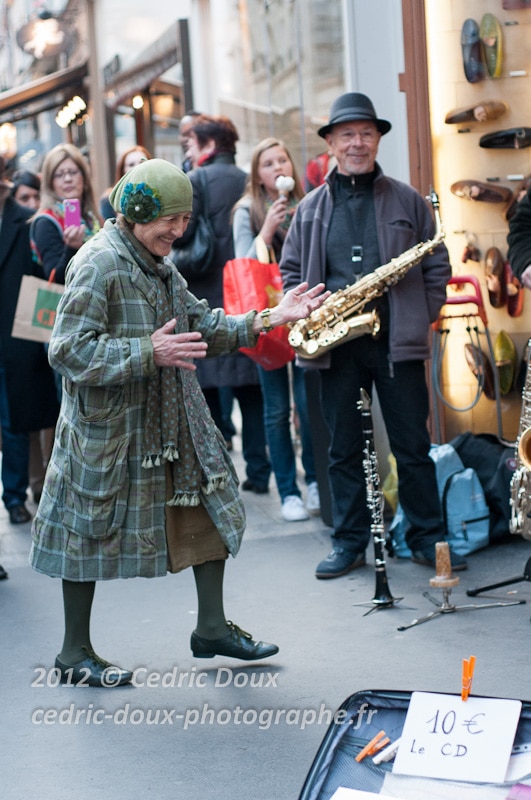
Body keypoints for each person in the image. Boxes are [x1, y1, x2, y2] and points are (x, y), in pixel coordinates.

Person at [29, 158, 328, 686]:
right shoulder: (98, 264)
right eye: (170, 220)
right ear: (137, 213)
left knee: (209, 508)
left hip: (170, 422)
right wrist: (148, 350)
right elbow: (68, 351)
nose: (179, 231)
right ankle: (74, 652)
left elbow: (201, 326)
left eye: (185, 220)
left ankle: (210, 628)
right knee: (86, 531)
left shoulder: (159, 263)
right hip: (111, 431)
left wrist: (269, 316)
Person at [279, 92, 465, 577]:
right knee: (342, 449)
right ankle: (349, 542)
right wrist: (308, 309)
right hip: (335, 344)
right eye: (347, 135)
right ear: (331, 145)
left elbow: (435, 265)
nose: (357, 143)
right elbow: (291, 270)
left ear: (378, 139)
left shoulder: (407, 198)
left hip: (394, 343)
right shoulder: (310, 208)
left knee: (411, 444)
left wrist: (420, 314)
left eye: (365, 133)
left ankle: (426, 538)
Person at [172, 114, 272, 495]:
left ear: (209, 146)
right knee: (251, 392)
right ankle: (259, 471)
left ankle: (218, 475)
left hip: (206, 296)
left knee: (209, 394)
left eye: (191, 144)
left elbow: (180, 235)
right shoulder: (247, 180)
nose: (188, 151)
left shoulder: (196, 181)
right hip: (246, 295)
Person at [233, 137, 320, 521]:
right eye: (268, 164)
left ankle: (315, 480)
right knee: (276, 409)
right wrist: (266, 231)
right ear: (258, 175)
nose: (278, 168)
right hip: (268, 319)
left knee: (307, 403)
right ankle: (288, 490)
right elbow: (240, 265)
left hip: (305, 316)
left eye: (282, 160)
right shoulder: (246, 211)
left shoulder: (310, 202)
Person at [0, 157, 59, 527]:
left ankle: (14, 496)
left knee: (15, 422)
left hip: (17, 337)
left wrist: (41, 339)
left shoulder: (25, 219)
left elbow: (44, 280)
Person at [11, 168, 54, 504]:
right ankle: (27, 485)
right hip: (20, 324)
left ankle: (44, 483)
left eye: (35, 196)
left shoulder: (35, 224)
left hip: (37, 317)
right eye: (24, 197)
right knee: (23, 411)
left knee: (45, 406)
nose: (32, 203)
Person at [30, 143, 101, 285]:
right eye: (59, 174)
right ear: (50, 183)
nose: (67, 179)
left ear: (84, 177)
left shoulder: (90, 218)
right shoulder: (46, 221)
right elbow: (55, 279)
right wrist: (71, 248)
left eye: (73, 172)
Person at [100, 145, 152, 220]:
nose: (137, 167)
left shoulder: (160, 193)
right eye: (131, 164)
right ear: (123, 170)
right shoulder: (109, 199)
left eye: (142, 162)